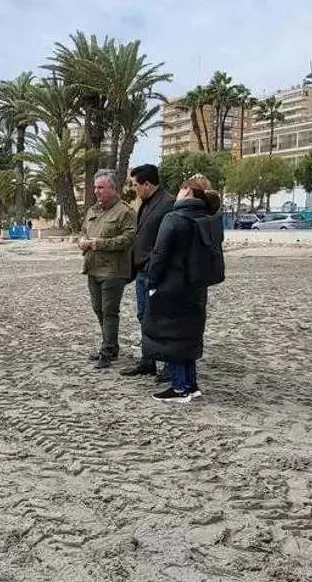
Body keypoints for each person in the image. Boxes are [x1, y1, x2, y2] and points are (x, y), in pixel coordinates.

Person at [142, 174, 223, 403]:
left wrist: (152, 283)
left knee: (173, 337)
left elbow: (159, 254)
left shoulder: (175, 218)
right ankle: (191, 384)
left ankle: (179, 388)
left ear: (187, 191)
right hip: (196, 286)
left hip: (172, 286)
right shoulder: (208, 219)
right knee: (190, 336)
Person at [120, 164, 175, 379]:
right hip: (142, 273)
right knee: (144, 316)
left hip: (157, 273)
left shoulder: (168, 204)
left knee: (162, 318)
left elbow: (169, 241)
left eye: (136, 185)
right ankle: (148, 359)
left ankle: (170, 364)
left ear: (147, 184)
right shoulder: (145, 203)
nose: (134, 189)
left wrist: (153, 264)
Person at [80, 170, 137, 369]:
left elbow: (129, 239)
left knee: (109, 311)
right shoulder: (93, 210)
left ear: (113, 189)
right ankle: (111, 346)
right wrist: (82, 242)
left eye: (101, 187)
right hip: (92, 267)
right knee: (98, 309)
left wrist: (100, 244)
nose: (96, 191)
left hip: (113, 271)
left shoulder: (125, 211)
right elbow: (84, 231)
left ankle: (108, 351)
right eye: (95, 187)